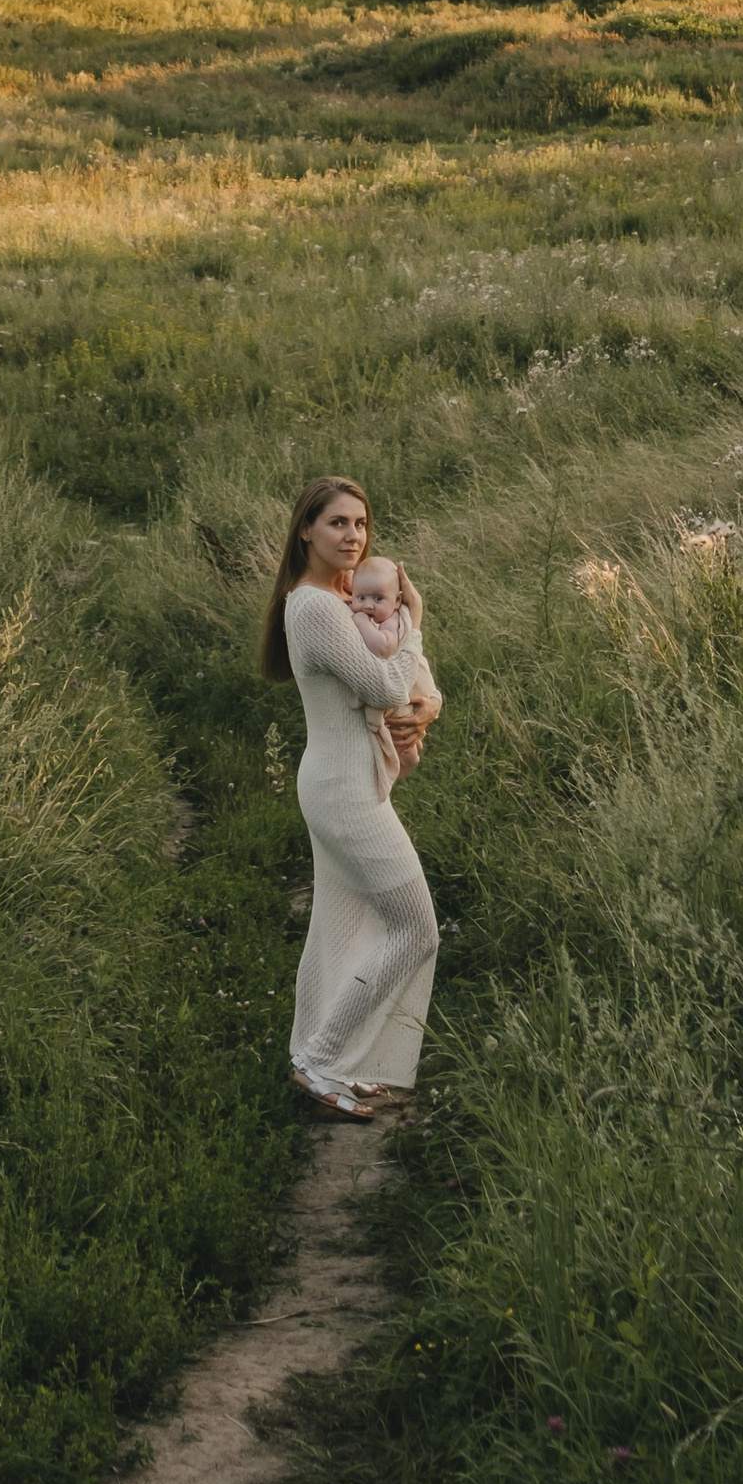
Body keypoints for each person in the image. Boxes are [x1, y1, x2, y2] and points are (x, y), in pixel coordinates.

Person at [264, 476, 440, 1120]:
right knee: (415, 927)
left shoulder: (347, 598)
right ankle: (321, 1059)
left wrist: (426, 710)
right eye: (338, 523)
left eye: (361, 524)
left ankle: (340, 1061)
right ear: (305, 529)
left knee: (344, 927)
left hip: (348, 786)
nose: (353, 536)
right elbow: (384, 683)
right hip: (344, 793)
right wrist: (416, 622)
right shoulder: (313, 607)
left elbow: (415, 688)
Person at [347, 554, 442, 789]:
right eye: (361, 598)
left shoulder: (390, 621)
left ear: (397, 601)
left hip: (409, 690)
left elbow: (383, 647)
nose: (368, 605)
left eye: (378, 599)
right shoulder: (370, 609)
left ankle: (405, 767)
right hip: (398, 688)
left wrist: (359, 621)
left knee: (405, 746)